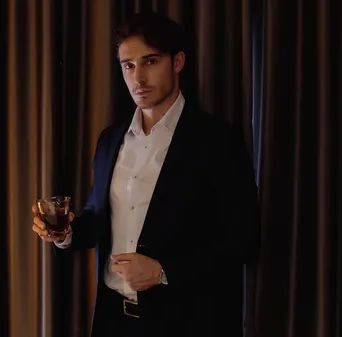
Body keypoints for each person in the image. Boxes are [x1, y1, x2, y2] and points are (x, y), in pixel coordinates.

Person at [32, 11, 260, 337]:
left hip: (187, 324)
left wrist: (163, 271)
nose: (138, 78)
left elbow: (245, 240)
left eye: (150, 62)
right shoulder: (110, 139)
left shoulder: (216, 140)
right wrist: (64, 233)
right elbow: (98, 217)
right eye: (128, 66)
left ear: (178, 62)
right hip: (113, 320)